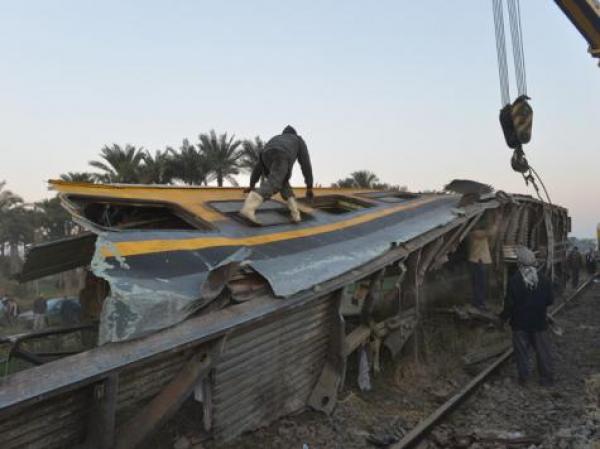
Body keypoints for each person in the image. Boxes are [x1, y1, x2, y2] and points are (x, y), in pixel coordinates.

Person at [500, 246, 554, 386]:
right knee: (543, 352)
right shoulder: (544, 279)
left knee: (522, 352)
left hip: (520, 324)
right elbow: (550, 300)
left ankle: (524, 378)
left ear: (519, 263)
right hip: (539, 323)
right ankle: (546, 379)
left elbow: (509, 305)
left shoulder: (514, 281)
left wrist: (502, 319)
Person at [240, 125, 314, 224]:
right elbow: (305, 163)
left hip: (266, 156)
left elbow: (258, 166)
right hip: (282, 155)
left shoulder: (276, 138)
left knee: (282, 182)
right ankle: (248, 208)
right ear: (294, 133)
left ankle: (295, 214)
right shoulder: (298, 140)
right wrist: (309, 186)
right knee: (274, 182)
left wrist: (251, 185)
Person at [467, 222, 496, 310]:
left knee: (478, 283)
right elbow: (491, 232)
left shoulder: (477, 234)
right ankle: (479, 303)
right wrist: (497, 222)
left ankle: (478, 302)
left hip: (478, 260)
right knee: (480, 283)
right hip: (478, 261)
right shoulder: (476, 233)